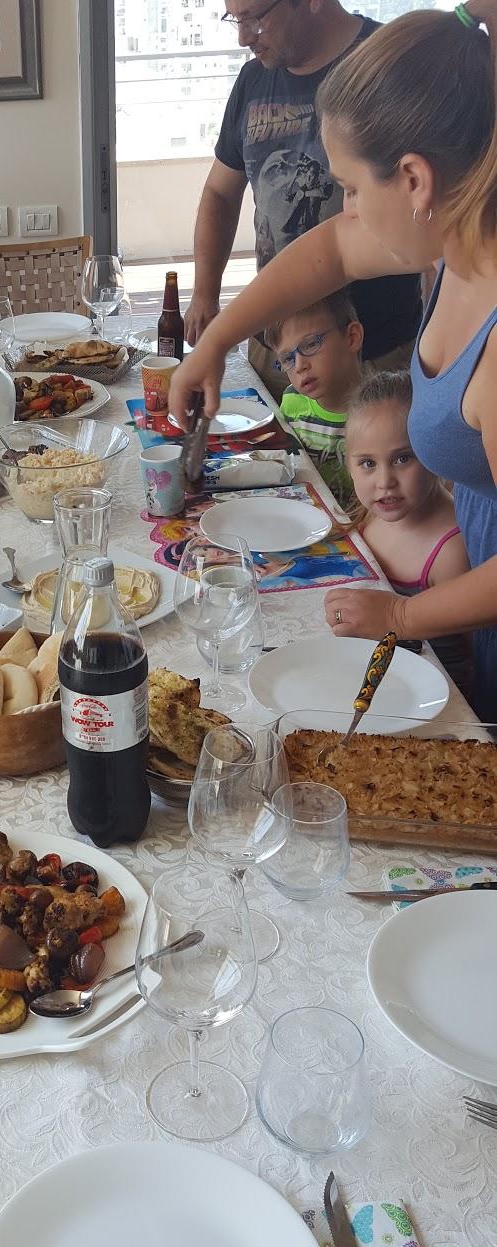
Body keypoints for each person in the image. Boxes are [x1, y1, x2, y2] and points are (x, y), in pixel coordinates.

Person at [169, 5, 497, 720]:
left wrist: (402, 616)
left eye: (351, 187)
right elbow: (331, 252)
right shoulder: (457, 240)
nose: (347, 209)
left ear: (413, 179)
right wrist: (217, 340)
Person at [182, 0, 422, 395]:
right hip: (274, 350)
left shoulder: (385, 66)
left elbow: (348, 247)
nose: (243, 38)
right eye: (235, 20)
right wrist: (206, 295)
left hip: (371, 357)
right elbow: (219, 192)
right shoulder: (253, 80)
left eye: (254, 18)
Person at [344, 368, 471, 692]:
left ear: (434, 451)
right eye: (368, 463)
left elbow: (458, 661)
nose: (385, 481)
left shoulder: (450, 550)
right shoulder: (371, 514)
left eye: (403, 458)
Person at [267, 289, 363, 502]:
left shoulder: (380, 411)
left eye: (311, 344)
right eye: (288, 359)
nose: (300, 366)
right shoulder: (292, 403)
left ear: (352, 337)